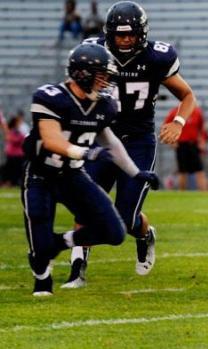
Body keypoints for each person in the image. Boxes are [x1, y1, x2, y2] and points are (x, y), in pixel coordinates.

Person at [64, 1, 197, 288]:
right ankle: (77, 269)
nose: (125, 40)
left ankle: (145, 234)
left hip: (138, 142)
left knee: (124, 220)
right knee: (86, 205)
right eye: (120, 35)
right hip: (102, 138)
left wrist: (178, 123)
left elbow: (187, 96)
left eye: (131, 35)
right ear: (108, 34)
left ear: (142, 33)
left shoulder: (157, 58)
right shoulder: (94, 52)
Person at [22, 43, 159, 296]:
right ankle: (42, 280)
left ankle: (58, 243)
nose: (106, 82)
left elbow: (111, 142)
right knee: (38, 237)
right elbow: (51, 140)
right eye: (101, 75)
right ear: (82, 73)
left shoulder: (103, 105)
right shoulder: (50, 97)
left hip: (72, 176)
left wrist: (135, 173)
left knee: (115, 231)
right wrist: (86, 152)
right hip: (42, 174)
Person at [163, 106, 208, 191]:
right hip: (181, 145)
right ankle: (182, 192)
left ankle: (204, 193)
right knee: (182, 171)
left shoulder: (197, 112)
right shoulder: (175, 112)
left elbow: (202, 129)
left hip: (193, 145)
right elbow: (166, 126)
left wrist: (202, 141)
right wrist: (172, 141)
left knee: (200, 170)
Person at [3, 117, 26, 187]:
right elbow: (12, 139)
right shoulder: (13, 131)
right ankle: (9, 182)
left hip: (18, 154)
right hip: (12, 154)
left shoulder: (18, 131)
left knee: (17, 169)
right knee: (11, 169)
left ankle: (15, 182)